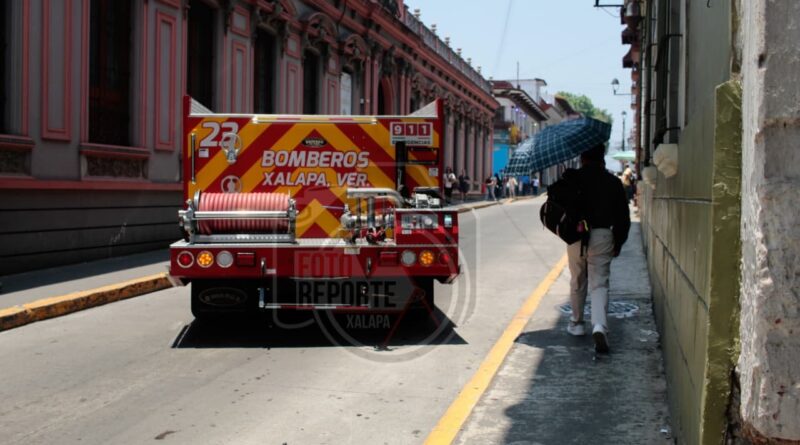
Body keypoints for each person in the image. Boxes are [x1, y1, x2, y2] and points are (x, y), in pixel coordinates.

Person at [566, 144, 631, 354]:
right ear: (602, 158)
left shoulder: (572, 179)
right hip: (602, 234)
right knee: (599, 282)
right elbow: (623, 216)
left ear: (583, 157)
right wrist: (618, 242)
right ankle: (599, 326)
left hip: (576, 235)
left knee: (577, 278)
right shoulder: (613, 182)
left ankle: (576, 324)